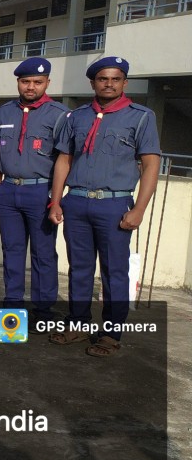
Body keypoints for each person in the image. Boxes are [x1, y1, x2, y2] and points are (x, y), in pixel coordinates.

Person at [47, 55, 160, 357]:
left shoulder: (141, 117)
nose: (109, 84)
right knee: (79, 269)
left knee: (114, 272)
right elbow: (64, 160)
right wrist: (56, 200)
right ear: (93, 83)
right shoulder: (76, 117)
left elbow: (150, 165)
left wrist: (139, 209)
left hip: (114, 205)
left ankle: (111, 333)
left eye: (115, 79)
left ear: (124, 82)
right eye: (102, 78)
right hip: (77, 202)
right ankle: (78, 323)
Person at [0, 57, 68, 324]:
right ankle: (12, 306)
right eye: (25, 81)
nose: (31, 87)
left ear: (47, 83)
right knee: (12, 250)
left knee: (43, 253)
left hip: (41, 192)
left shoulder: (59, 115)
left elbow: (64, 159)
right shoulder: (4, 112)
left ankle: (43, 310)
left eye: (37, 82)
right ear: (18, 83)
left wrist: (56, 198)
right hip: (9, 190)